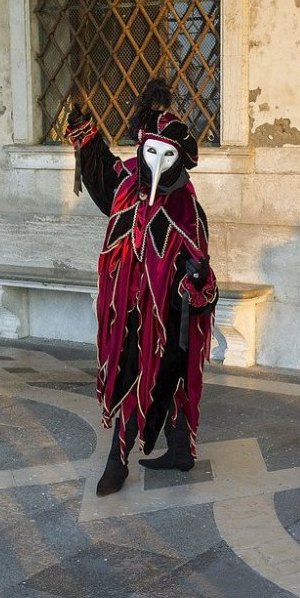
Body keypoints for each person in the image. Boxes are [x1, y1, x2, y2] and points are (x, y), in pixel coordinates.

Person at [67, 79, 218, 497]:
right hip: (125, 306)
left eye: (166, 155)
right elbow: (103, 179)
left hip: (164, 312)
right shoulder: (129, 183)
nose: (156, 161)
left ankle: (118, 461)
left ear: (179, 160)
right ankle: (180, 452)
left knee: (151, 376)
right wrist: (86, 133)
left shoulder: (185, 206)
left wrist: (196, 280)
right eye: (150, 150)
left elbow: (201, 266)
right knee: (141, 375)